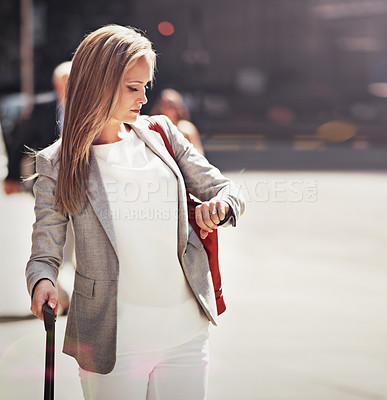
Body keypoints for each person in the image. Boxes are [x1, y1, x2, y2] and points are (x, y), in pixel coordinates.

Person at [27, 25, 245, 400]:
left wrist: (220, 207)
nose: (144, 97)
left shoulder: (162, 134)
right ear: (99, 83)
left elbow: (227, 189)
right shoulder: (58, 162)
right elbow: (45, 252)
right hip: (111, 343)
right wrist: (42, 282)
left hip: (185, 334)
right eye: (133, 87)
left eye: (146, 85)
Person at [3, 61, 71, 194]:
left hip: (77, 180)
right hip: (46, 180)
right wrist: (12, 176)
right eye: (65, 80)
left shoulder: (87, 109)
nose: (69, 85)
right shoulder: (41, 108)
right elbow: (21, 142)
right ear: (56, 84)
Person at [151, 88, 205, 155]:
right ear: (160, 106)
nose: (173, 109)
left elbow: (199, 153)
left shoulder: (187, 128)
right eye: (168, 105)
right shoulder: (153, 127)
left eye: (175, 105)